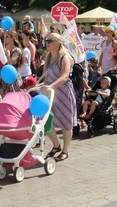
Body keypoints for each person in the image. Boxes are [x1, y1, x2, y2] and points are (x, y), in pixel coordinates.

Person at [41, 33, 76, 162]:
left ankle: (65, 150)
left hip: (63, 92)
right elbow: (46, 77)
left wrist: (52, 86)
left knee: (66, 123)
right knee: (44, 119)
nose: (47, 43)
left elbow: (64, 76)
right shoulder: (48, 57)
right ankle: (56, 145)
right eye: (46, 41)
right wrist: (43, 87)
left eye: (50, 40)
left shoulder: (65, 57)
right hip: (50, 94)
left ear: (58, 42)